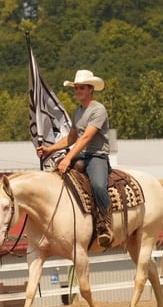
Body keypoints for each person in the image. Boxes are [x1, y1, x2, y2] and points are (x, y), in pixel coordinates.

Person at [37, 69, 113, 248]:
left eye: (81, 88)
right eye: (76, 88)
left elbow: (86, 138)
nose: (78, 91)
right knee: (57, 175)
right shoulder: (77, 112)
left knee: (98, 185)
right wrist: (50, 148)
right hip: (81, 154)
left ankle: (106, 222)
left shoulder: (98, 110)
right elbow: (71, 138)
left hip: (97, 155)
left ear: (90, 89)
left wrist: (68, 158)